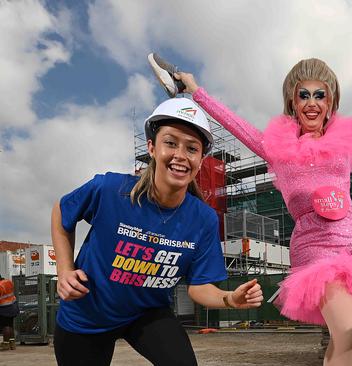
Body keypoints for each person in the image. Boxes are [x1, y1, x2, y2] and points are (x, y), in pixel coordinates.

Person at [149, 24, 352, 365]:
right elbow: (235, 123)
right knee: (348, 328)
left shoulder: (350, 135)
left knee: (350, 344)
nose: (312, 103)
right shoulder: (275, 148)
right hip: (313, 250)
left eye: (320, 94)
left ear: (331, 100)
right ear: (292, 102)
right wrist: (195, 91)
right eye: (303, 95)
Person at [51, 98, 263, 366]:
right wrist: (65, 270)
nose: (180, 155)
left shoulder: (203, 219)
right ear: (152, 147)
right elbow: (61, 211)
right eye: (171, 143)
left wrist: (230, 298)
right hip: (88, 314)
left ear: (200, 159)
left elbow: (199, 288)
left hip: (146, 312)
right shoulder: (110, 190)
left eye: (192, 148)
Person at [0, 276, 19, 351]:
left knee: (5, 326)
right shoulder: (8, 282)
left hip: (4, 308)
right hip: (13, 305)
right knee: (10, 325)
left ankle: (5, 344)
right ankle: (12, 343)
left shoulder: (0, 286)